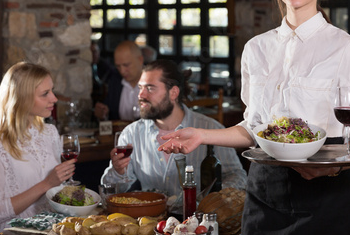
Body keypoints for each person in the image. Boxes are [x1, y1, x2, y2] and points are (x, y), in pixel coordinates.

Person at [159, 0, 350, 235]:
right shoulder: (256, 49)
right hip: (265, 197)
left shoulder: (346, 49)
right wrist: (203, 136)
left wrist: (331, 166)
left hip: (328, 198)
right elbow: (255, 127)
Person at [101, 60, 247, 202]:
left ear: (173, 93)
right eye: (140, 88)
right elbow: (108, 192)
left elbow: (238, 176)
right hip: (151, 221)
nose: (141, 95)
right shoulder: (131, 134)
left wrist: (214, 198)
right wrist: (118, 172)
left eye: (150, 88)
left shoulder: (210, 129)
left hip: (198, 221)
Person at [0, 62, 77, 235]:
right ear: (21, 98)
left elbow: (56, 192)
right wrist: (47, 183)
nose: (54, 98)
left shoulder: (50, 132)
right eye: (45, 94)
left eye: (51, 91)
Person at [94, 41, 144, 121]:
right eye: (118, 66)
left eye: (126, 65)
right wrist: (103, 114)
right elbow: (109, 116)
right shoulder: (115, 81)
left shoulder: (154, 84)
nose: (122, 71)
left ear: (140, 60)